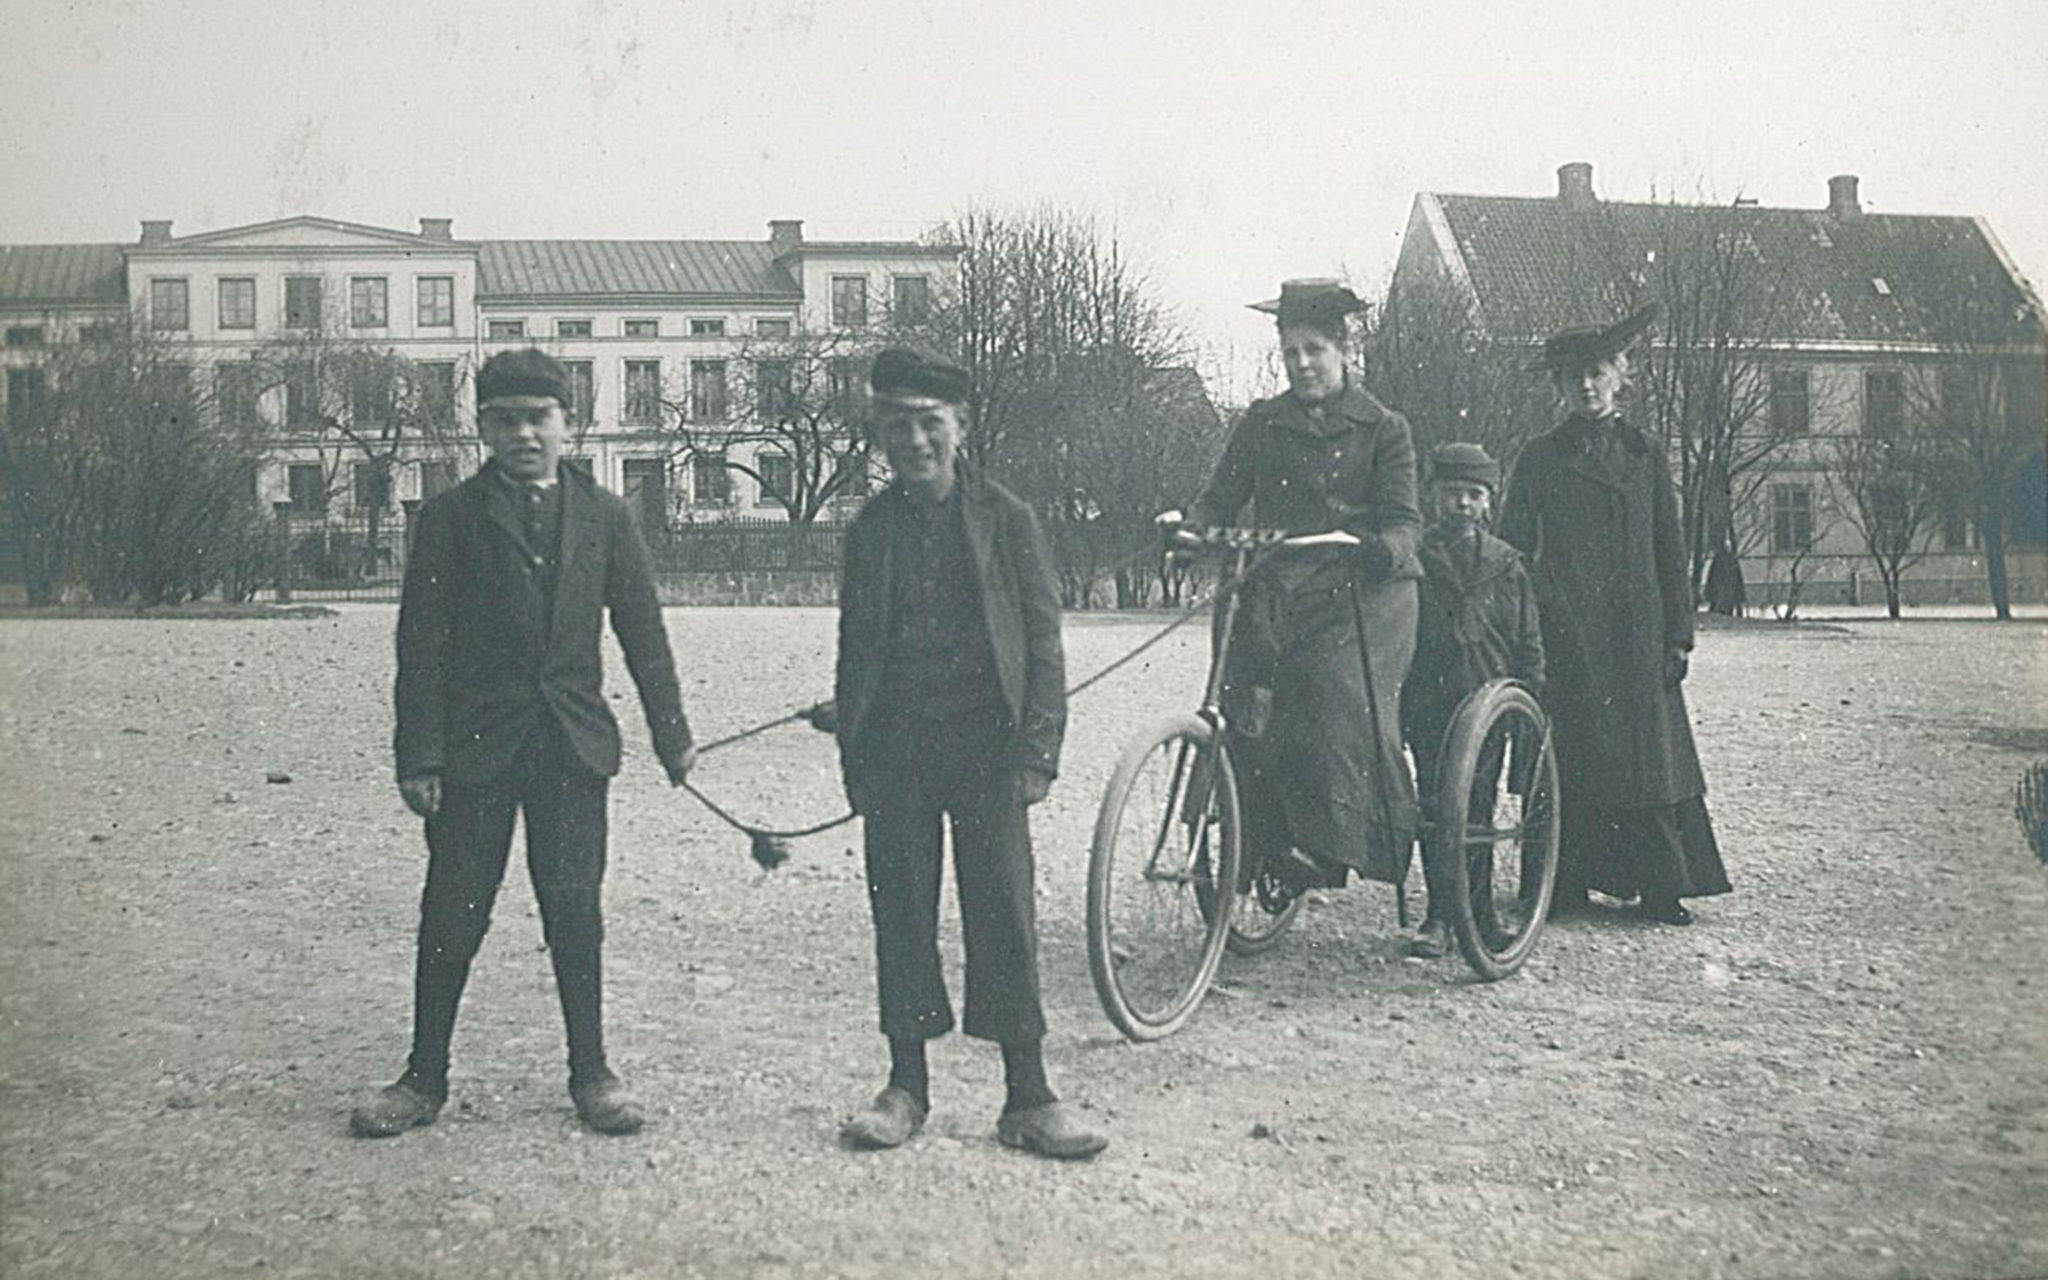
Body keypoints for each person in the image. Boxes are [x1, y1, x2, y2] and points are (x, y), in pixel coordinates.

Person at [350, 348, 696, 1139]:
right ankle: (422, 1078)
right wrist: (421, 756)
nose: (523, 435)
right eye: (505, 422)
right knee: (452, 912)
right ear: (482, 429)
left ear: (568, 424)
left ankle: (592, 1074)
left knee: (575, 910)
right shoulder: (448, 519)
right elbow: (421, 647)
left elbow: (644, 633)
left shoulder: (608, 516)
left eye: (539, 419)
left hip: (572, 751)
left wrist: (673, 737)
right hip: (475, 755)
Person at [827, 345, 1107, 1161]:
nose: (914, 442)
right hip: (897, 755)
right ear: (879, 433)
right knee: (902, 913)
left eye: (930, 424)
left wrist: (1038, 753)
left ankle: (1029, 1095)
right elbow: (854, 652)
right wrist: (855, 750)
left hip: (988, 753)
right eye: (897, 427)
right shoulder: (870, 532)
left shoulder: (1009, 518)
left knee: (1004, 915)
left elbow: (1044, 646)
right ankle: (905, 1085)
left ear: (961, 425)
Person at [1183, 278, 1423, 896]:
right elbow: (1220, 495)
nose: (1303, 364)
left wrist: (1381, 548)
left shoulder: (1384, 428)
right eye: (1291, 354)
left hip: (1365, 592)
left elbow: (1404, 523)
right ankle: (1255, 844)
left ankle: (1328, 846)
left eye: (1314, 350)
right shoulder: (1262, 424)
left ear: (1344, 349)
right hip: (1278, 584)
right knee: (1244, 697)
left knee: (1328, 691)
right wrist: (1193, 529)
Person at [1496, 307, 1731, 925]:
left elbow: (1669, 546)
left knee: (1651, 761)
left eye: (1597, 372)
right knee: (1569, 759)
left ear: (1621, 375)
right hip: (1566, 633)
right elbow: (1511, 548)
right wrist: (1527, 621)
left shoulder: (1644, 453)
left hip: (1636, 634)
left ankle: (1660, 886)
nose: (1586, 386)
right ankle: (1561, 884)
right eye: (1572, 377)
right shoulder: (1540, 457)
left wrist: (1678, 635)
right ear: (1559, 387)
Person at [1400, 442, 1545, 959]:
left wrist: (1528, 693)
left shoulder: (1505, 564)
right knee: (1435, 809)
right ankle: (1439, 915)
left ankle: (1479, 918)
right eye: (1453, 493)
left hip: (1486, 705)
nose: (1462, 503)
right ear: (1434, 496)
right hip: (1428, 704)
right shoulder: (1415, 558)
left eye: (1474, 495)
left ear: (1488, 502)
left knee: (1478, 812)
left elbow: (1527, 636)